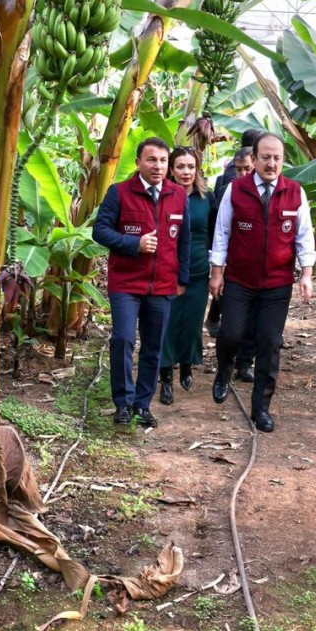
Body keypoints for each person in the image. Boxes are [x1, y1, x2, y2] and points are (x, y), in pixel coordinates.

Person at [209, 132, 315, 432]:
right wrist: (217, 271)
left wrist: (306, 273)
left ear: (283, 161)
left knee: (270, 343)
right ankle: (224, 371)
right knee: (230, 334)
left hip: (277, 282)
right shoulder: (236, 189)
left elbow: (304, 235)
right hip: (240, 279)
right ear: (253, 159)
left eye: (277, 158)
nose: (271, 163)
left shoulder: (295, 192)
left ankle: (262, 408)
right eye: (265, 157)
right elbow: (222, 232)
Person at [92, 137, 191, 429]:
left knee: (154, 346)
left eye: (162, 160)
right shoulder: (120, 193)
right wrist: (135, 243)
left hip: (162, 285)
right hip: (126, 283)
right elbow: (100, 231)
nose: (158, 166)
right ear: (138, 163)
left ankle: (142, 405)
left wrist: (182, 279)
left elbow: (183, 241)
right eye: (151, 160)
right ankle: (122, 403)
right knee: (123, 339)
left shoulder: (178, 195)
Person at [158, 147, 214, 405]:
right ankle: (166, 377)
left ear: (197, 169)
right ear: (171, 169)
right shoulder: (163, 196)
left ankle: (187, 366)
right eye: (180, 166)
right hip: (168, 270)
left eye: (191, 167)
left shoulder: (206, 198)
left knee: (192, 323)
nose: (186, 172)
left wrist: (218, 270)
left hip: (199, 270)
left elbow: (215, 235)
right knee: (167, 323)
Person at [207, 144, 257, 380]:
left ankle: (245, 362)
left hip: (259, 266)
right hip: (232, 263)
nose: (243, 174)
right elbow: (220, 229)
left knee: (255, 318)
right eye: (239, 169)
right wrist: (218, 266)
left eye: (247, 168)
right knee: (234, 318)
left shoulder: (273, 189)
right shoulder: (229, 189)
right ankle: (227, 362)